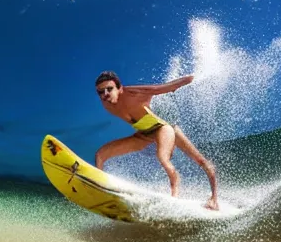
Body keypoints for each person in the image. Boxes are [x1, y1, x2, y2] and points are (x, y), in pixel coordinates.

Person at [94, 70, 219, 210]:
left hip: (163, 128)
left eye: (109, 89)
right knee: (100, 155)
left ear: (120, 88)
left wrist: (191, 79)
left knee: (181, 159)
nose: (105, 94)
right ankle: (101, 188)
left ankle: (207, 199)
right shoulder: (107, 104)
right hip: (144, 135)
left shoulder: (133, 93)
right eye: (101, 92)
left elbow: (161, 88)